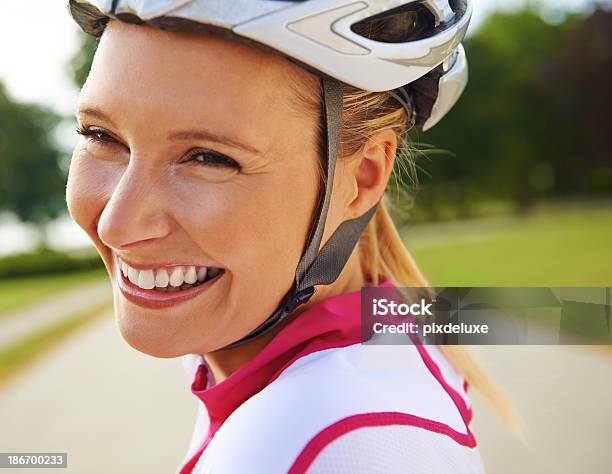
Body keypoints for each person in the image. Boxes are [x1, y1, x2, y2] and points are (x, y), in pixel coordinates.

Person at [66, 1, 511, 472]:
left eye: (209, 158)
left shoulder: (324, 442)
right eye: (100, 136)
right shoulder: (370, 351)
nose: (118, 224)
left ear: (360, 178)